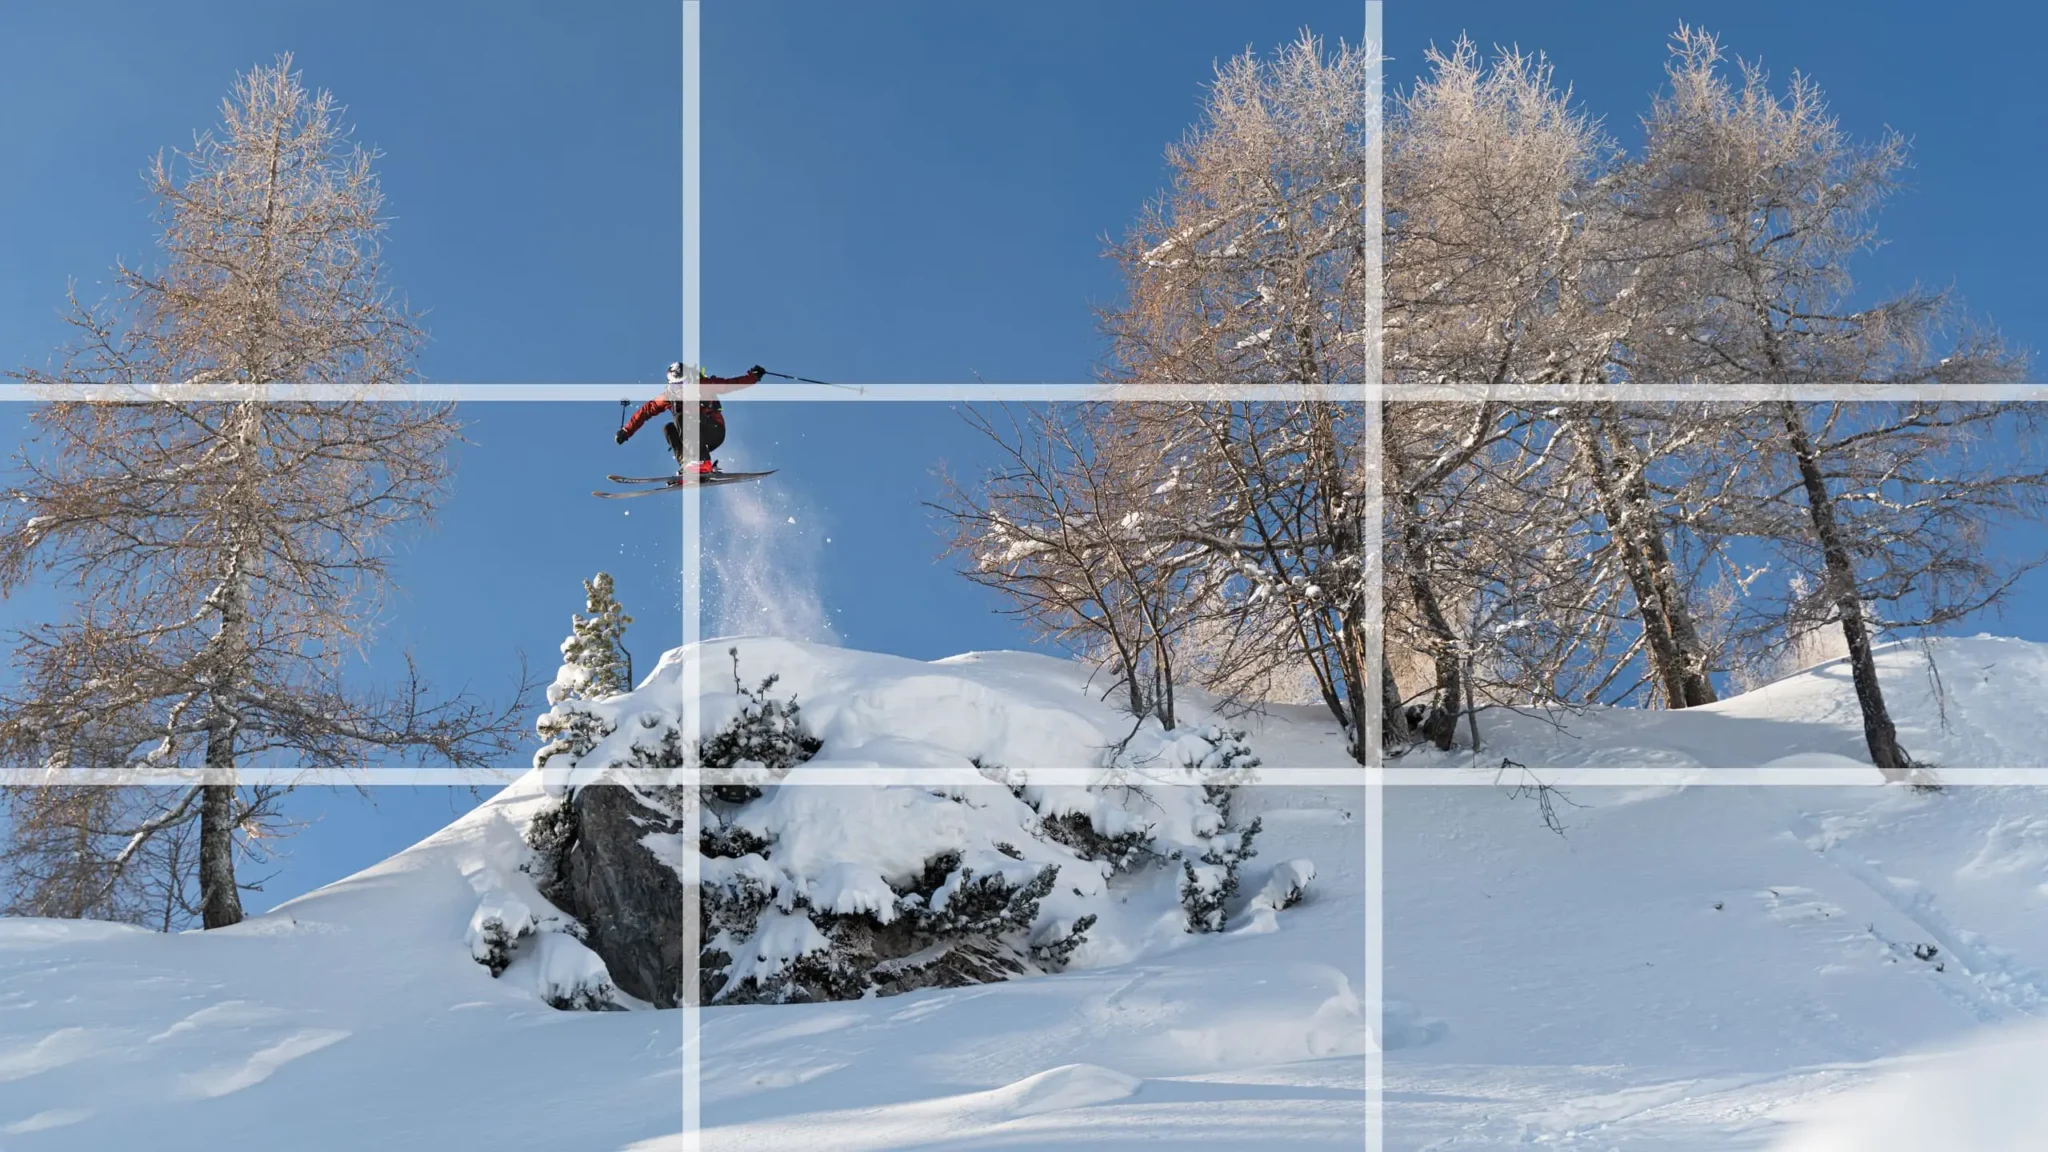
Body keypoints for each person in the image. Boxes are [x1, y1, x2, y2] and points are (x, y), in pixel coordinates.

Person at [615, 363, 765, 474]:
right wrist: (626, 431)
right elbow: (645, 411)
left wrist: (753, 377)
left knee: (681, 418)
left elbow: (730, 384)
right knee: (668, 428)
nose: (681, 389)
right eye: (677, 386)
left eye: (684, 384)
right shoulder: (669, 397)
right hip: (693, 439)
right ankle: (689, 466)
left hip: (713, 430)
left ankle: (703, 462)